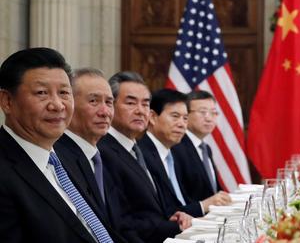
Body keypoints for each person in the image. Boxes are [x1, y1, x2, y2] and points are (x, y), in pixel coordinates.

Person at [0, 47, 120, 242]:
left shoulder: (69, 157)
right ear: (7, 101)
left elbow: (99, 229)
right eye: (41, 93)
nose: (57, 105)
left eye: (64, 92)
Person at [98, 71, 191, 242]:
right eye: (131, 103)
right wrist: (174, 227)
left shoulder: (135, 147)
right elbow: (122, 222)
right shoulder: (103, 151)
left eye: (145, 104)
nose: (141, 111)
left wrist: (175, 217)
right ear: (110, 105)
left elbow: (147, 208)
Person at [54, 68, 127, 237]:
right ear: (69, 104)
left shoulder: (104, 156)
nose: (105, 112)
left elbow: (116, 225)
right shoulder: (58, 159)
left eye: (109, 103)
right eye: (94, 101)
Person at [139, 89, 231, 218]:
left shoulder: (168, 153)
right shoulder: (141, 154)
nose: (182, 124)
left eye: (185, 118)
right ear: (153, 117)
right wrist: (202, 206)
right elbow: (161, 212)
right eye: (175, 116)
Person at [172, 90, 230, 204]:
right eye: (203, 112)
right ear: (186, 114)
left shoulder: (206, 148)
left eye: (213, 113)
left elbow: (214, 191)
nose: (209, 118)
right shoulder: (176, 147)